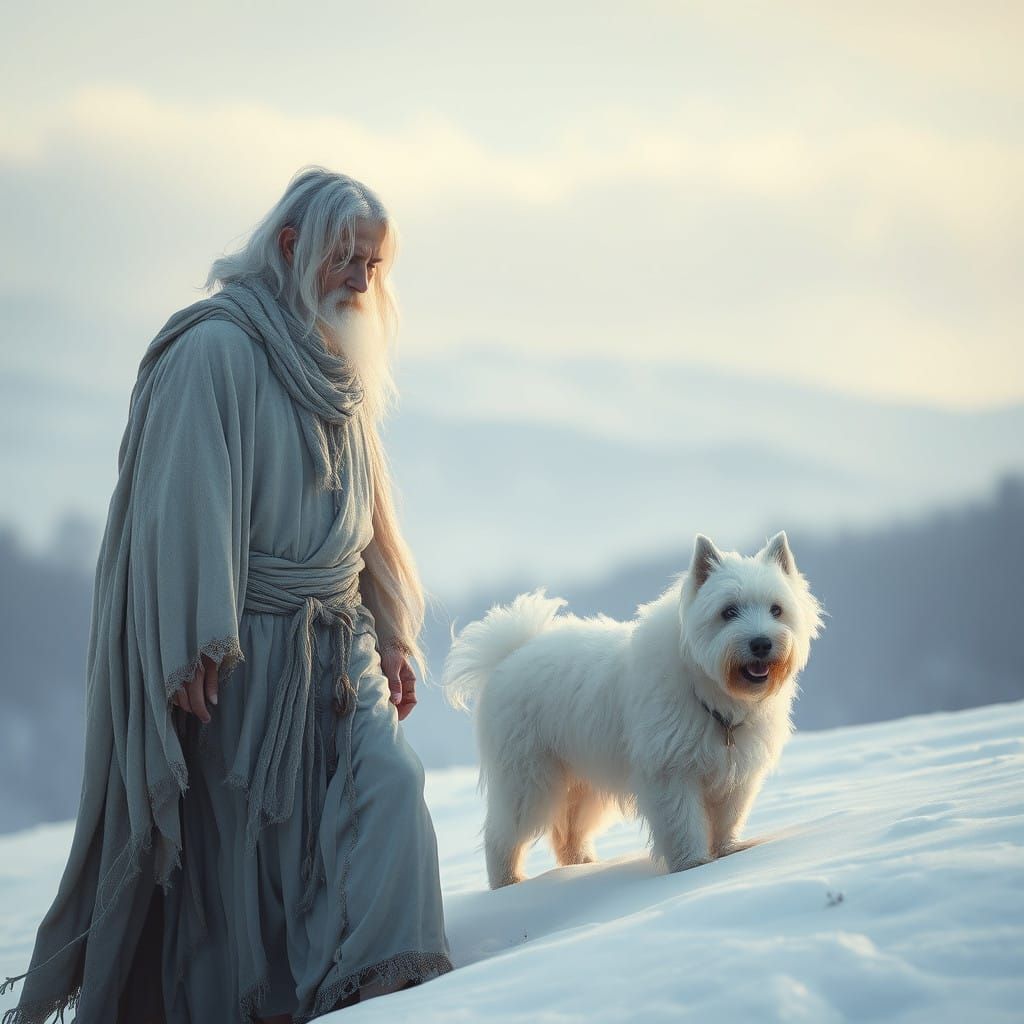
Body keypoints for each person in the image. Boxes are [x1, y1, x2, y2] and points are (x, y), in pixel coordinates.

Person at [0, 166, 454, 1024]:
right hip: (242, 647)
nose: (361, 281)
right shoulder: (217, 347)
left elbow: (368, 512)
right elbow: (182, 500)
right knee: (248, 858)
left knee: (387, 790)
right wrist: (195, 638)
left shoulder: (338, 358)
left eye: (373, 265)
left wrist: (392, 628)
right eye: (345, 260)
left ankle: (385, 1000)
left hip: (336, 644)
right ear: (290, 247)